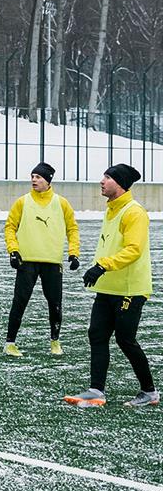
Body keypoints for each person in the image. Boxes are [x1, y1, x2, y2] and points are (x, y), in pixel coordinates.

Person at [66, 164, 157, 407]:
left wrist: (101, 266)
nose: (102, 181)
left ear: (121, 183)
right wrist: (100, 270)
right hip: (108, 287)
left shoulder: (134, 212)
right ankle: (96, 391)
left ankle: (149, 392)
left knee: (125, 339)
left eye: (108, 177)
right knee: (96, 334)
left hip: (129, 289)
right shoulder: (111, 210)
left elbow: (133, 250)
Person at [2, 162, 80, 357]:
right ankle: (10, 343)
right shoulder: (22, 202)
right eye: (32, 176)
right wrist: (13, 250)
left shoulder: (62, 203)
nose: (34, 180)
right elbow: (10, 227)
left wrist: (74, 253)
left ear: (48, 180)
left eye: (38, 177)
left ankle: (55, 342)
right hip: (27, 261)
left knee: (55, 304)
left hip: (52, 262)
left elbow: (72, 229)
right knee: (19, 302)